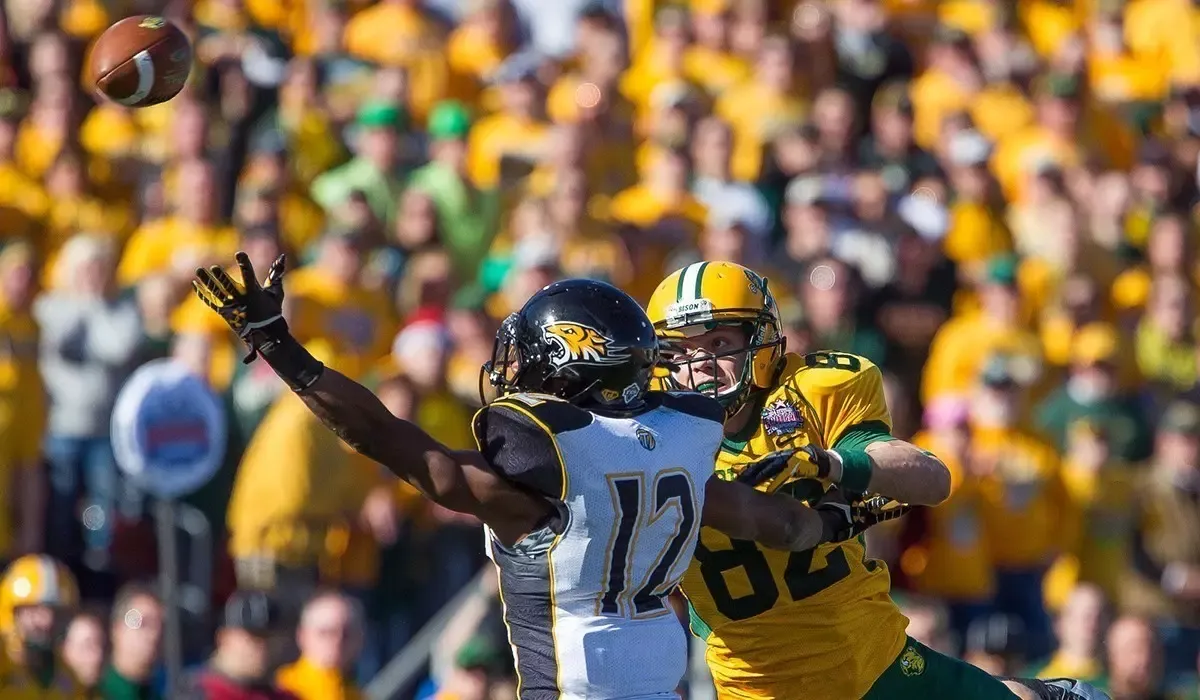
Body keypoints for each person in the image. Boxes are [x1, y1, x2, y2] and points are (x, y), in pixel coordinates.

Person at [191, 253, 879, 699]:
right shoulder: (678, 445)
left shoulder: (542, 481)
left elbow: (386, 440)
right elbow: (780, 522)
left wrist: (278, 344)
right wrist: (843, 516)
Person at [644, 260, 1110, 700]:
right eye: (682, 349)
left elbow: (932, 479)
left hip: (868, 650)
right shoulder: (649, 438)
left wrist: (830, 463)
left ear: (763, 340)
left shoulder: (812, 390)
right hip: (755, 682)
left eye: (719, 344)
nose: (698, 364)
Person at [0, 554, 87, 697]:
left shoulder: (71, 680)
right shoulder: (3, 662)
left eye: (56, 612)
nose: (48, 620)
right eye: (35, 610)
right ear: (12, 612)